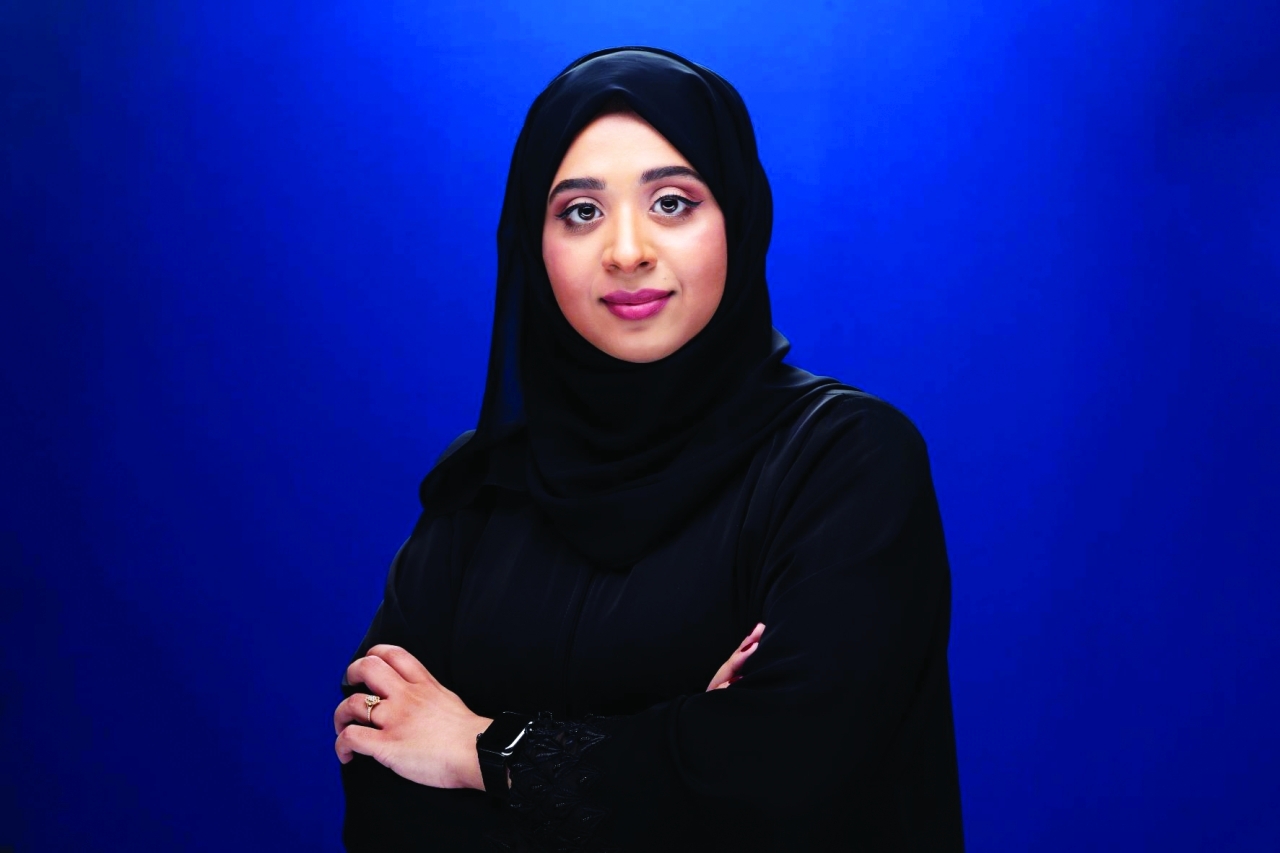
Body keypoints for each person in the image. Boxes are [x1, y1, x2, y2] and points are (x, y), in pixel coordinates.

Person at [333, 46, 964, 851]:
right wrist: (689, 765)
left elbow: (790, 779)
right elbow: (383, 794)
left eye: (672, 202)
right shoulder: (483, 488)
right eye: (580, 212)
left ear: (738, 217)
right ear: (532, 242)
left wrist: (479, 748)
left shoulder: (844, 460)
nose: (626, 250)